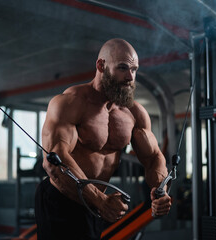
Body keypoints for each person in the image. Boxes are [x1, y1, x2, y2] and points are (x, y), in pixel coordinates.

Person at [35, 38, 172, 240]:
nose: (130, 77)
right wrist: (100, 200)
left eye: (134, 69)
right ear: (101, 65)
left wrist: (161, 191)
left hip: (96, 204)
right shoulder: (71, 102)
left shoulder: (134, 113)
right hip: (62, 199)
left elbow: (153, 157)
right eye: (123, 68)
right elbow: (54, 160)